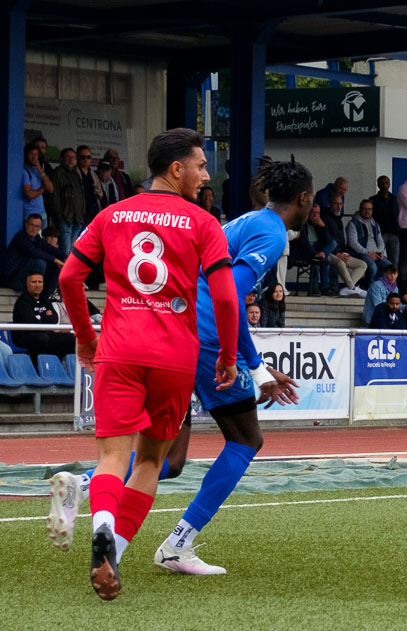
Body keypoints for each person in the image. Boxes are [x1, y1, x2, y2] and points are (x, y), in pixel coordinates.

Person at [57, 128, 239, 599]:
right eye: (200, 166)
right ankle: (111, 551)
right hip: (175, 359)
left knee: (112, 457)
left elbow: (69, 276)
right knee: (153, 459)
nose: (205, 175)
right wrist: (226, 354)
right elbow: (223, 294)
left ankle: (100, 527)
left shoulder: (112, 214)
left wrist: (85, 338)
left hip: (118, 351)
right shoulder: (203, 223)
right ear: (176, 169)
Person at [11, 271, 76, 360]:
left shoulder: (44, 298)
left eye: (40, 282)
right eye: (34, 282)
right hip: (24, 336)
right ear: (27, 284)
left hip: (45, 334)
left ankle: (57, 364)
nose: (37, 285)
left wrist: (39, 317)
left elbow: (54, 319)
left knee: (70, 338)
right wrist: (45, 317)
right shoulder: (22, 301)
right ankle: (36, 365)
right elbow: (32, 323)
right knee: (42, 339)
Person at [2, 213, 63, 296]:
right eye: (31, 225)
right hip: (13, 280)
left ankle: (46, 298)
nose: (34, 228)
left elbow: (49, 248)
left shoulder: (36, 238)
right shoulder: (21, 238)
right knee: (40, 263)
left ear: (40, 228)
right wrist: (55, 259)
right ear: (26, 224)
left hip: (25, 278)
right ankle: (34, 295)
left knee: (56, 267)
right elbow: (34, 252)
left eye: (37, 226)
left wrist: (67, 257)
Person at [49, 147, 85, 257]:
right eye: (67, 157)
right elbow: (54, 198)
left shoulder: (76, 173)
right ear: (62, 159)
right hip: (65, 220)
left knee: (71, 253)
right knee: (64, 252)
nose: (71, 160)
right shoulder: (57, 173)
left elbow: (81, 196)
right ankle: (61, 274)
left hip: (77, 220)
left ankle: (67, 274)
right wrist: (60, 216)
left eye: (73, 158)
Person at [347, 198, 392, 285]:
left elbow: (380, 240)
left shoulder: (375, 224)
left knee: (389, 267)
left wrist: (381, 251)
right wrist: (368, 253)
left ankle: (373, 285)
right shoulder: (353, 224)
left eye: (369, 209)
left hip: (376, 253)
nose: (367, 211)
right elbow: (352, 243)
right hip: (361, 253)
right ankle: (369, 288)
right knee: (373, 267)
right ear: (360, 209)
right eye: (365, 209)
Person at [371, 176, 401, 265]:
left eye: (386, 183)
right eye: (382, 183)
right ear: (378, 185)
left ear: (389, 184)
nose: (384, 185)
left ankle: (392, 279)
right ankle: (379, 278)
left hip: (394, 234)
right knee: (378, 259)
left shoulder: (395, 199)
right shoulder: (373, 200)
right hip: (380, 234)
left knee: (394, 261)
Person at [23, 143, 52, 225]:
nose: (34, 157)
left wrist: (40, 170)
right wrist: (43, 188)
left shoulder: (38, 169)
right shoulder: (24, 170)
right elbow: (30, 194)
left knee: (43, 237)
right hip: (30, 214)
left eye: (36, 154)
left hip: (42, 212)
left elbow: (50, 189)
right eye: (31, 154)